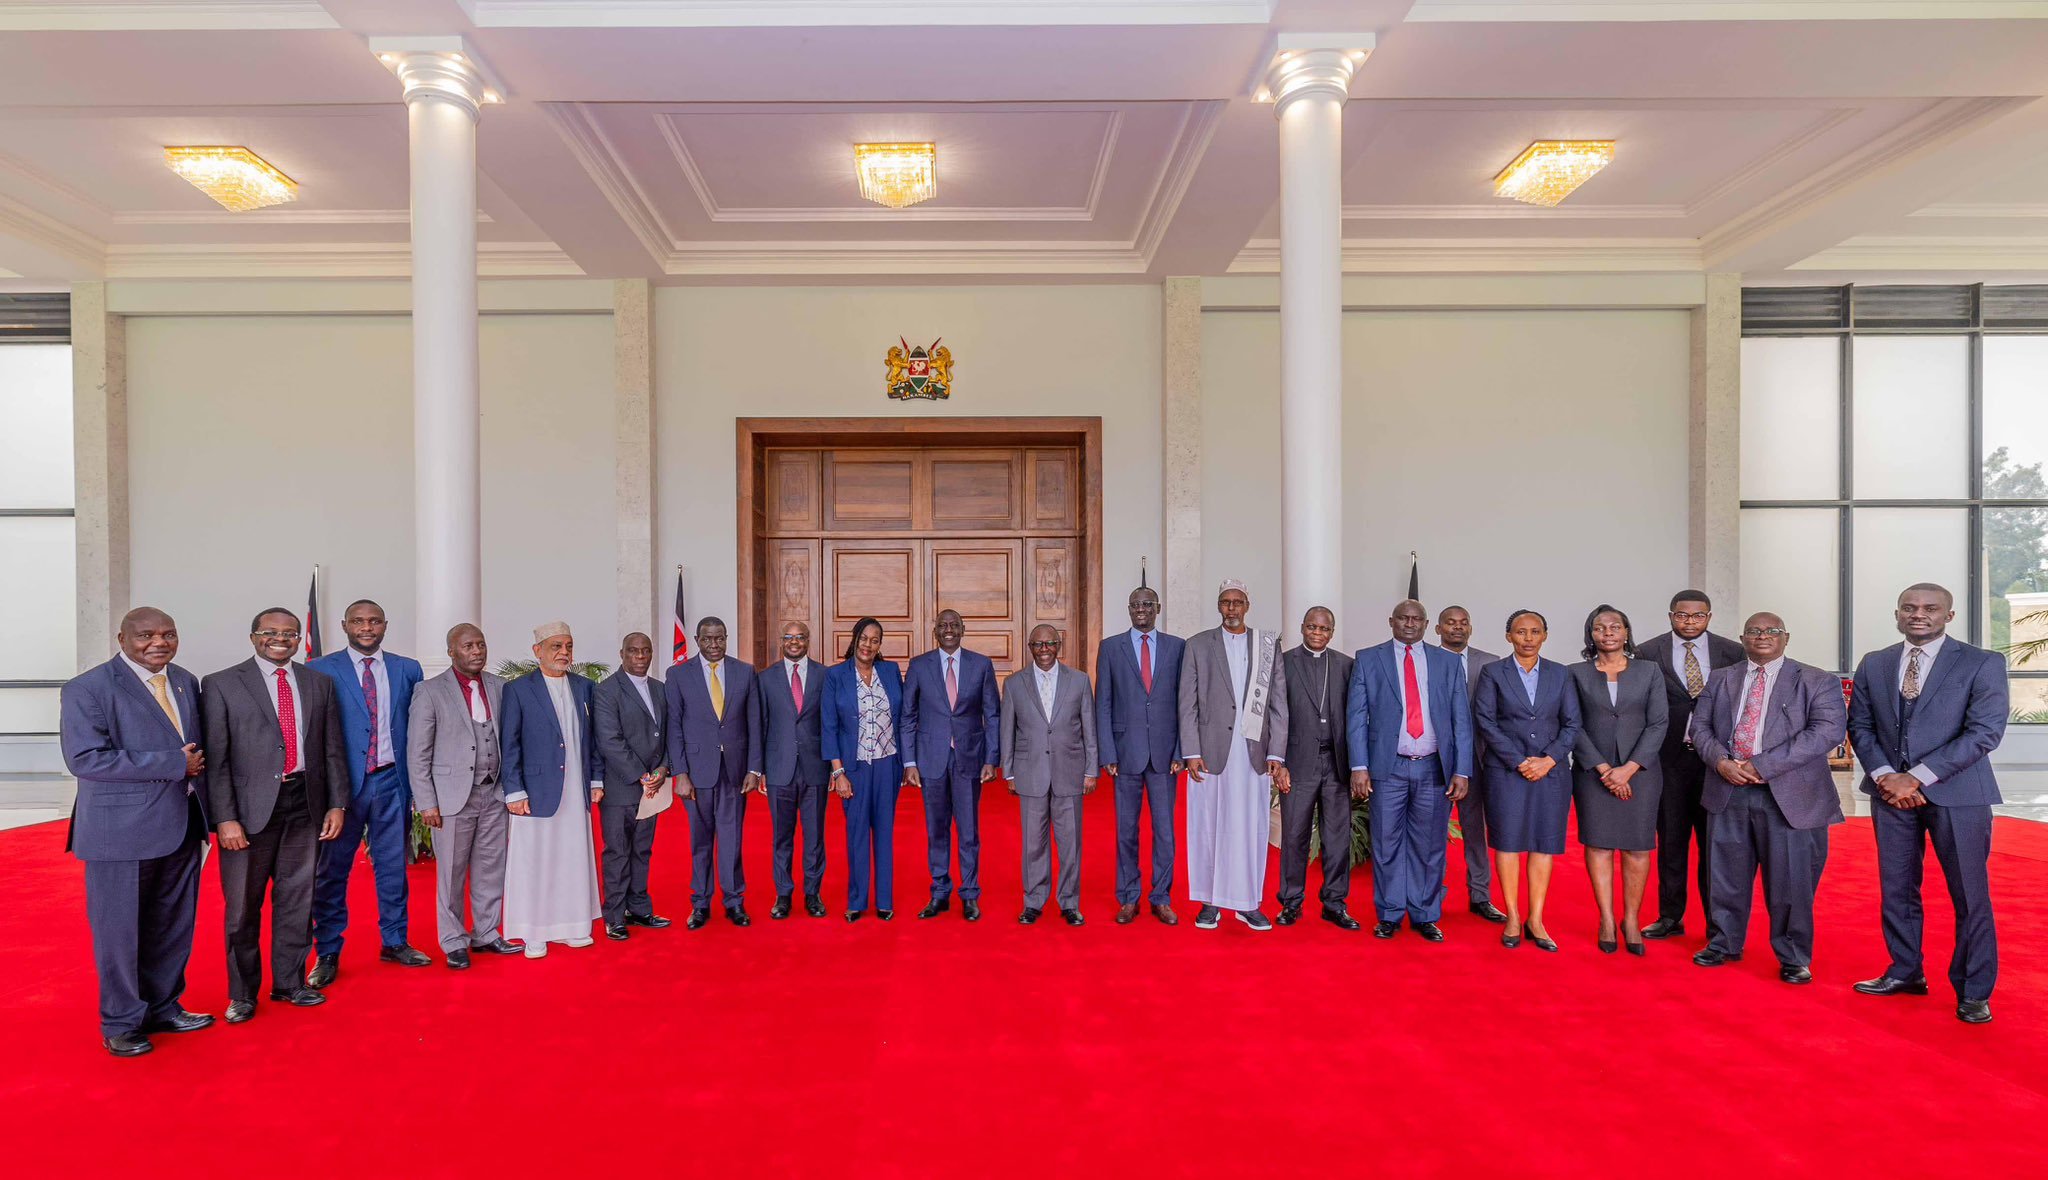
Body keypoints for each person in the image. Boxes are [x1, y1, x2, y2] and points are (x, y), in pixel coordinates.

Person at [1848, 583, 2007, 1024]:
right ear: (1897, 614)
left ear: (1948, 616)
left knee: (1970, 895)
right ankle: (1905, 972)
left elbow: (1984, 732)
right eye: (1910, 608)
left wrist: (1915, 777)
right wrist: (1885, 777)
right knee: (1897, 889)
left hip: (1959, 795)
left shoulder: (1982, 662)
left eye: (1931, 608)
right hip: (1889, 795)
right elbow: (1860, 725)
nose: (1919, 614)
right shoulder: (1875, 663)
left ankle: (1974, 991)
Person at [61, 607, 213, 1056]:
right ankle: (122, 1022)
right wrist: (172, 764)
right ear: (121, 638)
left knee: (172, 925)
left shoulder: (185, 680)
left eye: (168, 633)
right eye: (145, 635)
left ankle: (164, 1007)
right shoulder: (87, 688)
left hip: (182, 825)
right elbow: (85, 759)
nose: (158, 643)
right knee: (120, 932)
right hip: (119, 833)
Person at [201, 607, 347, 1022]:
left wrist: (337, 802)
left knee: (297, 898)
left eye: (290, 632)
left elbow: (331, 748)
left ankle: (289, 982)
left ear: (300, 639)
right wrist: (225, 817)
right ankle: (243, 994)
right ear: (253, 637)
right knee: (243, 907)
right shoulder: (222, 684)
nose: (280, 638)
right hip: (247, 814)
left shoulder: (319, 683)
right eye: (270, 631)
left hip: (305, 804)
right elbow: (217, 757)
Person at [1690, 612, 1845, 984]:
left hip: (1790, 795)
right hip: (1728, 789)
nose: (1763, 636)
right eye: (1754, 631)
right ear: (1742, 638)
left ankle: (1793, 955)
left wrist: (1761, 766)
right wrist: (1722, 763)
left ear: (1786, 638)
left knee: (1791, 880)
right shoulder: (1721, 678)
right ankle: (1723, 942)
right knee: (1724, 875)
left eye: (1771, 631)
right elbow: (1699, 727)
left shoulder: (1816, 680)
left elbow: (1826, 732)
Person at [307, 599, 429, 988]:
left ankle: (394, 941)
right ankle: (327, 950)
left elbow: (416, 726)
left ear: (385, 625)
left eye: (374, 621)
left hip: (391, 780)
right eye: (358, 621)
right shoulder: (320, 669)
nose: (366, 627)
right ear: (344, 625)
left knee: (393, 867)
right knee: (332, 871)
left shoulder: (407, 669)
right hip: (342, 787)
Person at [1347, 599, 1471, 941]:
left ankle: (1425, 914)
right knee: (1386, 844)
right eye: (1403, 617)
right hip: (1388, 768)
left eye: (1417, 619)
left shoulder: (1448, 662)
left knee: (1429, 846)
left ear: (1428, 624)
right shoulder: (1369, 659)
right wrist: (1359, 766)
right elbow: (1357, 717)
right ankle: (1389, 914)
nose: (1410, 623)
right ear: (1391, 621)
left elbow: (1461, 720)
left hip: (1434, 768)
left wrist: (1462, 769)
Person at [405, 623, 522, 969]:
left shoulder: (501, 687)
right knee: (452, 873)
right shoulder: (429, 691)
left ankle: (486, 932)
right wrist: (426, 802)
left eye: (481, 644)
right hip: (452, 799)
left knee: (490, 868)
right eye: (468, 646)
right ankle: (453, 940)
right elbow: (418, 753)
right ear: (452, 652)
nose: (477, 651)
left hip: (494, 793)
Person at [1634, 590, 1744, 942]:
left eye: (1698, 616)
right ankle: (1670, 917)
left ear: (1709, 617)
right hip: (1668, 760)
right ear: (1671, 616)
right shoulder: (1648, 652)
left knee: (1716, 846)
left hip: (1717, 762)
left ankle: (1717, 924)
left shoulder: (1733, 652)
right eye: (1682, 615)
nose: (1690, 622)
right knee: (1671, 841)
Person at [1178, 579, 1288, 931]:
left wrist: (1277, 752)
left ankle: (1247, 902)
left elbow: (1278, 704)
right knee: (1208, 825)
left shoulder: (1267, 646)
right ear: (1218, 606)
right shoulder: (1197, 645)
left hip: (1254, 751)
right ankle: (1209, 902)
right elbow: (1187, 703)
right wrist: (1191, 751)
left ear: (1247, 605)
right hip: (1210, 753)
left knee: (1250, 826)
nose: (1232, 608)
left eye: (1237, 602)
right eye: (1226, 602)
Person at [1472, 609, 1580, 953]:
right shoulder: (1493, 673)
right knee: (1507, 843)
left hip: (1551, 773)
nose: (1528, 638)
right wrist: (1519, 761)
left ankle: (1536, 917)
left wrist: (1548, 760)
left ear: (1545, 636)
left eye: (1535, 631)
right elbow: (1486, 721)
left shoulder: (1561, 674)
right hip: (1507, 772)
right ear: (1509, 636)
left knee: (1543, 845)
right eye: (1521, 632)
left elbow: (1572, 724)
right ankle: (1514, 916)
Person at [1567, 605, 1668, 956]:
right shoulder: (1575, 673)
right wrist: (1603, 769)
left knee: (1638, 847)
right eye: (1599, 627)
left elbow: (1658, 723)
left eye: (1615, 626)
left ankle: (1631, 919)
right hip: (1592, 774)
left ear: (1626, 632)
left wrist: (1628, 769)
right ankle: (1607, 919)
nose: (1608, 632)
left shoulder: (1649, 671)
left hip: (1641, 774)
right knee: (1599, 846)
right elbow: (1572, 725)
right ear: (1590, 634)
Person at [499, 621, 604, 959]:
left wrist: (596, 780)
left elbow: (594, 741)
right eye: (556, 646)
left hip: (575, 789)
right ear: (537, 651)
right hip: (534, 791)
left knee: (572, 857)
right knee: (535, 861)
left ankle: (573, 926)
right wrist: (514, 791)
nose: (564, 653)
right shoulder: (518, 690)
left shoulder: (585, 687)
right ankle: (534, 931)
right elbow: (509, 743)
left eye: (568, 646)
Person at [664, 616, 765, 928]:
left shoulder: (745, 672)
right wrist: (679, 772)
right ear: (696, 640)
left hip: (735, 772)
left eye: (719, 638)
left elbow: (755, 724)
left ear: (726, 637)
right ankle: (700, 904)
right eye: (707, 639)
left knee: (732, 839)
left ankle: (734, 901)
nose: (714, 645)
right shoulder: (678, 674)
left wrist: (754, 768)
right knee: (700, 840)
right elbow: (674, 726)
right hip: (696, 773)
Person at [902, 608, 1000, 921]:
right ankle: (939, 891)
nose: (948, 630)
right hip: (930, 760)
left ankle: (970, 894)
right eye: (943, 625)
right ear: (935, 630)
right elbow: (908, 716)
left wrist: (991, 758)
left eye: (954, 625)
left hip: (969, 758)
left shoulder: (981, 665)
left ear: (963, 629)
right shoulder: (919, 666)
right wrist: (909, 761)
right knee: (937, 829)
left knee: (969, 831)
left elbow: (993, 715)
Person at [1096, 585, 1186, 926]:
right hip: (1125, 754)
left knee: (1165, 831)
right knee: (1126, 830)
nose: (1141, 609)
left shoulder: (1177, 647)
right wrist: (1107, 751)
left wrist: (1181, 749)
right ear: (1128, 608)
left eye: (1148, 604)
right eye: (1135, 604)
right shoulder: (1110, 648)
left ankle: (1161, 897)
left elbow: (1183, 702)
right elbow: (1102, 702)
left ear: (1158, 607)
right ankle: (1128, 897)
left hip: (1166, 756)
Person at [1000, 625, 1098, 926]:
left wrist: (1091, 768)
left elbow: (1089, 728)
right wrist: (1009, 771)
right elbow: (1007, 730)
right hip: (1030, 773)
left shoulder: (1079, 681)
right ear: (1030, 647)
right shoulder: (1014, 684)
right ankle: (1033, 901)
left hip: (1069, 770)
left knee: (1070, 842)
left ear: (1059, 645)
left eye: (1050, 643)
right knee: (1033, 842)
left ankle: (1069, 902)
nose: (1044, 649)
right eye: (1038, 644)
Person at [1276, 607, 1358, 929]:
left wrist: (1357, 767)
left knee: (1337, 838)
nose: (1317, 633)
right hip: (1297, 764)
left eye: (1324, 629)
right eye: (1312, 627)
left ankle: (1334, 903)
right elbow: (1275, 715)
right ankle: (1291, 902)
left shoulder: (1345, 666)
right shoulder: (1284, 663)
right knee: (1294, 836)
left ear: (1332, 632)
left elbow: (1356, 717)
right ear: (1302, 628)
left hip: (1336, 764)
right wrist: (1278, 762)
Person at [823, 617, 906, 921]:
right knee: (857, 834)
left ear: (879, 645)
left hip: (888, 763)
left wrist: (906, 763)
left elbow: (904, 718)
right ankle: (857, 901)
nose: (868, 645)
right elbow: (829, 726)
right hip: (853, 767)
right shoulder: (836, 676)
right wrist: (838, 772)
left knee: (884, 832)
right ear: (854, 639)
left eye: (874, 640)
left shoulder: (890, 671)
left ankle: (884, 900)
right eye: (864, 638)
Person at [593, 632, 671, 940]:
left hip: (653, 785)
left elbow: (668, 734)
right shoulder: (606, 691)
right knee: (617, 851)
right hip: (622, 787)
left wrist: (664, 767)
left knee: (642, 850)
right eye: (633, 651)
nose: (640, 657)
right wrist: (641, 774)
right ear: (622, 653)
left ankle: (639, 908)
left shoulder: (660, 689)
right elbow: (609, 740)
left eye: (646, 651)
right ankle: (614, 915)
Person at [1435, 605, 1506, 922]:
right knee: (1432, 832)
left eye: (1464, 623)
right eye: (1450, 623)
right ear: (1438, 629)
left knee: (1475, 831)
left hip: (1478, 759)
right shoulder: (1425, 660)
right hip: (1433, 760)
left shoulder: (1490, 663)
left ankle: (1480, 896)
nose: (1457, 628)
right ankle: (1431, 895)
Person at [759, 621, 831, 919]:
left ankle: (813, 894)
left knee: (814, 836)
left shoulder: (824, 675)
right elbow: (760, 725)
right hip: (779, 769)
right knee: (782, 837)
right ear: (781, 641)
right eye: (788, 637)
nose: (794, 642)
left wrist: (834, 767)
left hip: (815, 767)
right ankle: (783, 895)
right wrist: (759, 769)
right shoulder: (765, 678)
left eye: (800, 637)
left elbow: (830, 723)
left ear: (808, 640)